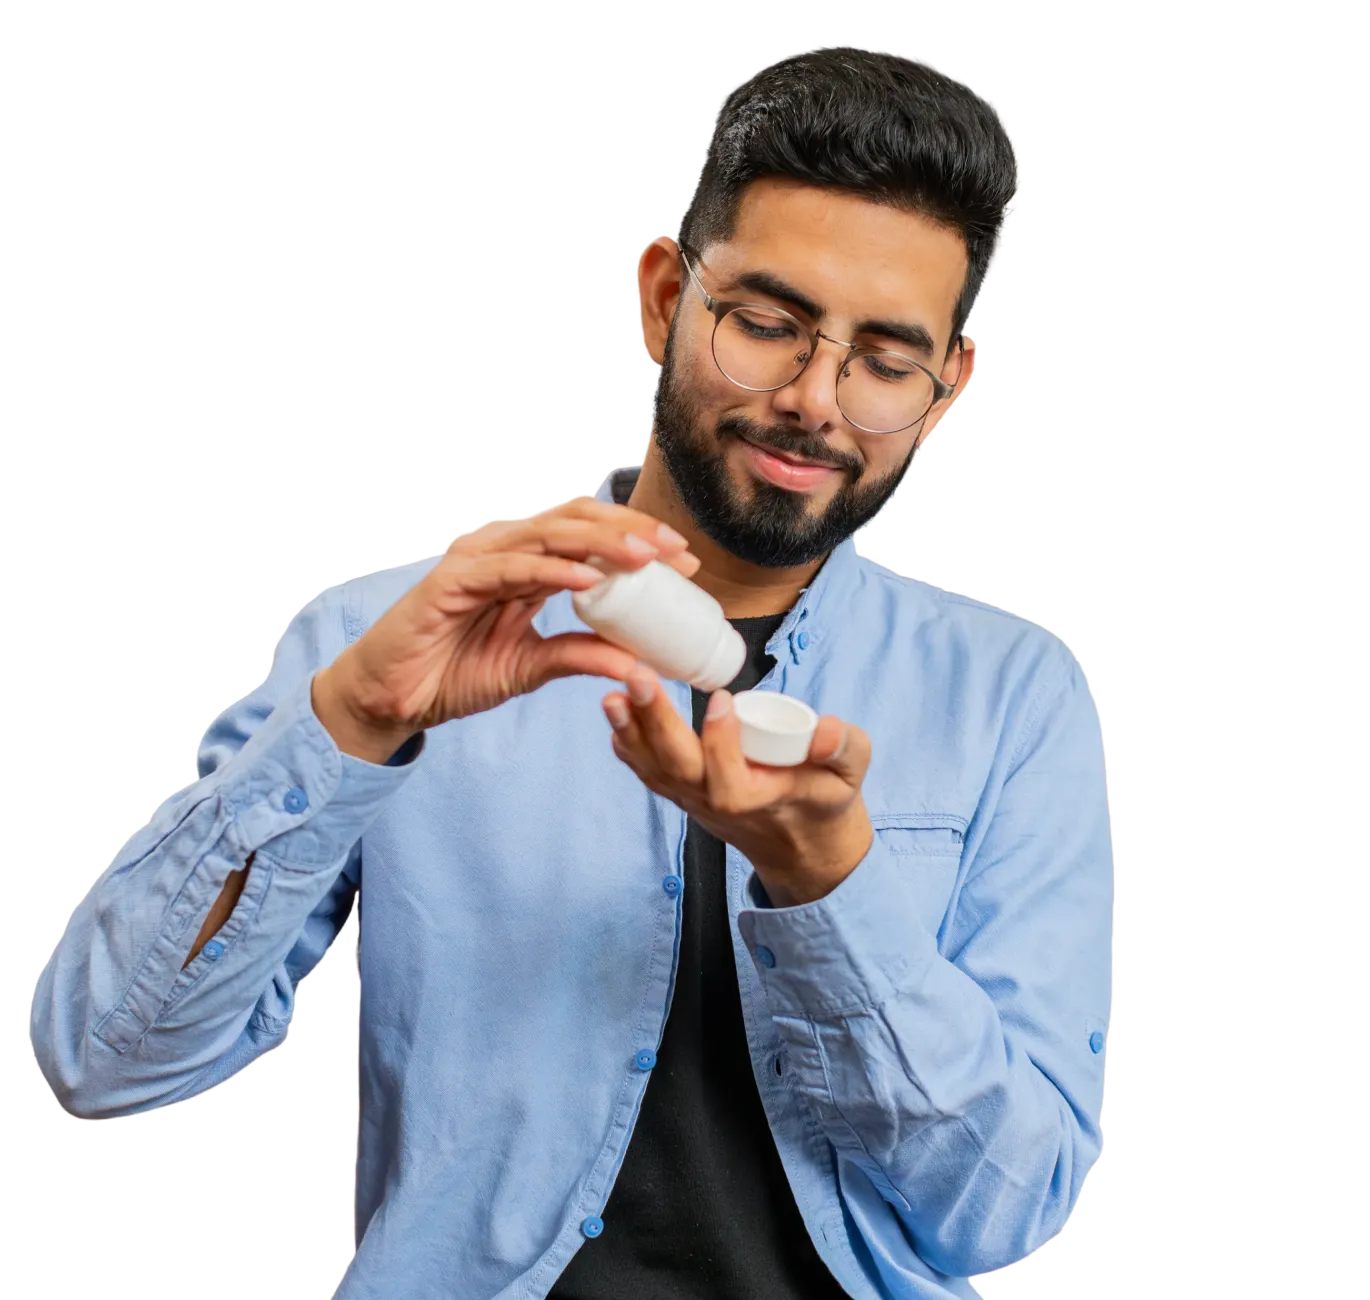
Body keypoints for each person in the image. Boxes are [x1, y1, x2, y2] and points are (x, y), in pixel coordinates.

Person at [31, 44, 1111, 1300]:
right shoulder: (391, 639)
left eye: (883, 362)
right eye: (765, 324)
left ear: (946, 392)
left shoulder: (1015, 694)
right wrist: (353, 726)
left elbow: (1007, 1207)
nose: (816, 400)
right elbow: (102, 1060)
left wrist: (828, 890)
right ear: (661, 294)